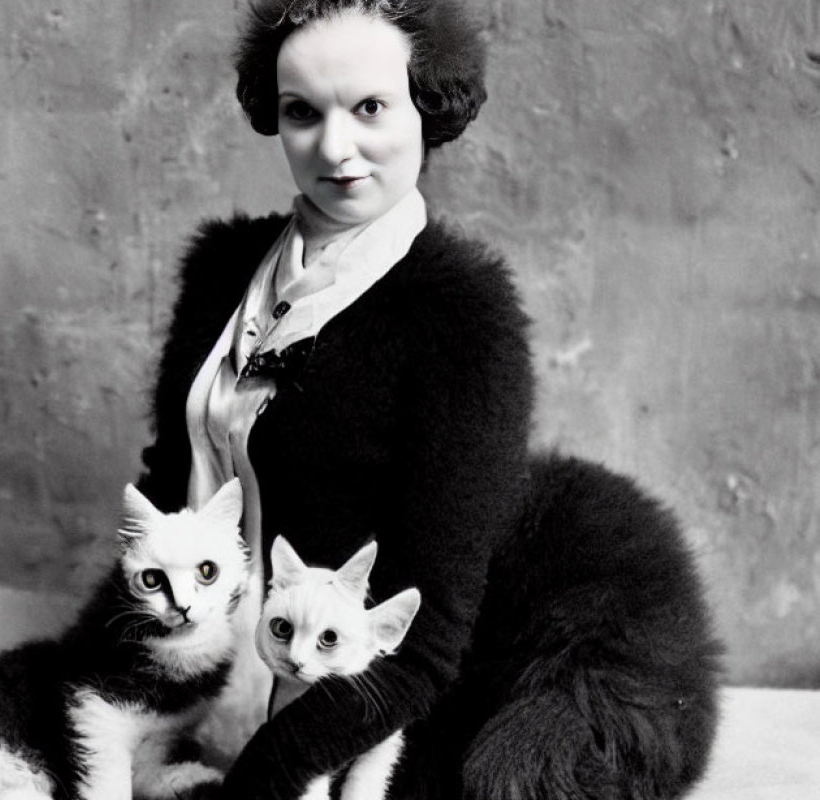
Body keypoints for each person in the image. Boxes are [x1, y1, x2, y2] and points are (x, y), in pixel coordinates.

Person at [136, 1, 721, 798]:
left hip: (356, 699)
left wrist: (264, 778)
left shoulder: (463, 317)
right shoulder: (220, 271)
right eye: (302, 112)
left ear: (427, 107)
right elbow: (163, 500)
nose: (334, 147)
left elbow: (427, 636)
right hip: (199, 648)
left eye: (370, 107)